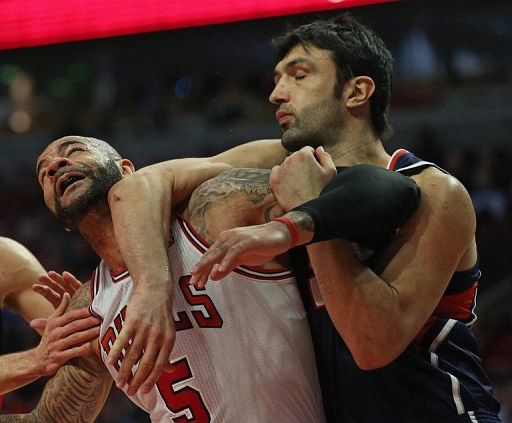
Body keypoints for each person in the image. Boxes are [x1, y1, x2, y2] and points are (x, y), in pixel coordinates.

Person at [106, 14, 501, 423]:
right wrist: (150, 289)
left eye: (298, 75)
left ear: (356, 91)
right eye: (277, 79)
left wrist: (309, 212)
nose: (277, 93)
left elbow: (373, 345)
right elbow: (139, 185)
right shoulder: (275, 161)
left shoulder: (436, 191)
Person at [0, 237, 99, 402]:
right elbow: (45, 356)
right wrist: (34, 359)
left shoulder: (8, 260)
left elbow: (80, 345)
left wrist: (88, 317)